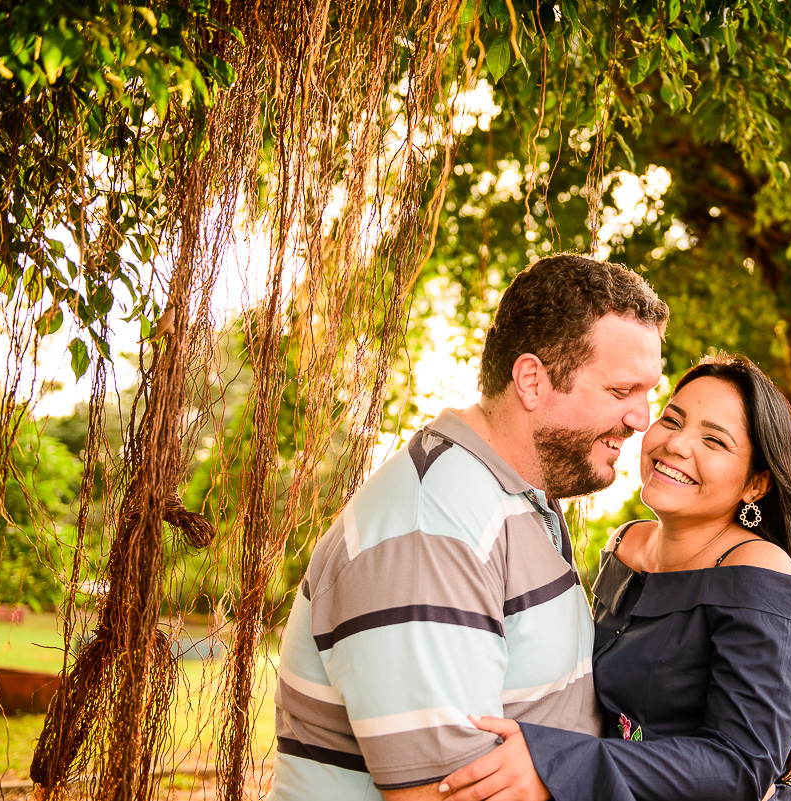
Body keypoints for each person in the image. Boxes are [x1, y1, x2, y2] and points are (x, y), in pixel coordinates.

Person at [268, 254, 668, 801]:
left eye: (648, 392)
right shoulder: (430, 529)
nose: (643, 418)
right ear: (532, 380)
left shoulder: (514, 498)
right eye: (622, 392)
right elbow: (445, 793)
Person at [440, 354, 791, 801]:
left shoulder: (761, 572)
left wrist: (556, 763)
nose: (678, 445)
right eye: (672, 419)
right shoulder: (627, 545)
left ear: (756, 485)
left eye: (714, 441)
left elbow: (739, 768)